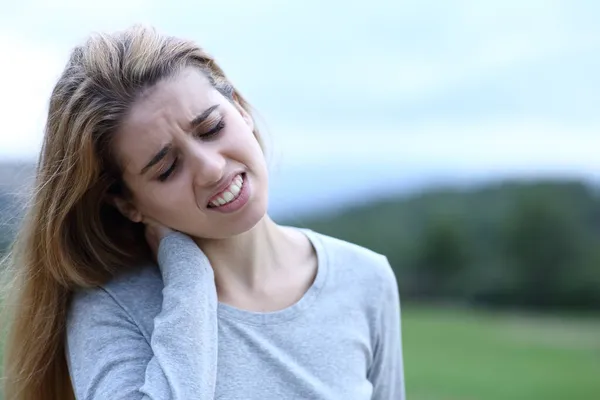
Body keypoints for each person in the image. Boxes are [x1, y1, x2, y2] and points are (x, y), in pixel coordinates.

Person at [1, 25, 405, 400]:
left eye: (212, 128)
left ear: (240, 110)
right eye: (167, 168)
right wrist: (190, 280)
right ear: (129, 204)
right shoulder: (114, 308)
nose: (212, 168)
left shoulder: (365, 280)